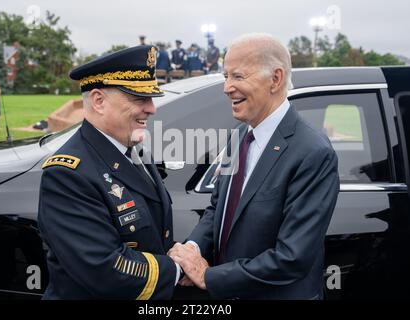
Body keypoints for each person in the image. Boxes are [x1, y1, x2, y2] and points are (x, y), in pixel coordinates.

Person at [168, 33, 340, 300]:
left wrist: (209, 277)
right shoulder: (239, 136)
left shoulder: (312, 152)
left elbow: (292, 258)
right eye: (225, 76)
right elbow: (218, 208)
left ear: (275, 79)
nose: (226, 87)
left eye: (238, 76)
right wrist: (191, 250)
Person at [38, 45, 180, 299]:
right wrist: (178, 270)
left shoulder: (133, 149)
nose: (152, 108)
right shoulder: (66, 174)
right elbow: (104, 269)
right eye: (139, 98)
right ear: (98, 101)